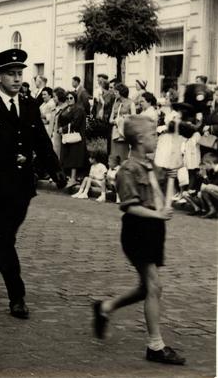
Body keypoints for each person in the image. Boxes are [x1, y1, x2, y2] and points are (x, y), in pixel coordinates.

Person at [0, 48, 66, 319]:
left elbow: (41, 141)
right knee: (4, 237)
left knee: (6, 236)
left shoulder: (29, 105)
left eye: (20, 74)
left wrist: (56, 170)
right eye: (11, 74)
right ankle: (17, 296)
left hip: (22, 184)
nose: (17, 79)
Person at [92, 115, 185, 366]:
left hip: (154, 230)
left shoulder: (151, 166)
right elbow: (129, 206)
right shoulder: (127, 170)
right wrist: (158, 213)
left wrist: (173, 175)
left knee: (146, 288)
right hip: (137, 231)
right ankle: (155, 346)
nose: (157, 137)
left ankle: (106, 307)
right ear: (141, 139)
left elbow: (163, 190)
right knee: (155, 286)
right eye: (153, 134)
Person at [58, 90, 87, 189]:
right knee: (67, 155)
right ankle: (68, 177)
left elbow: (76, 123)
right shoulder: (66, 109)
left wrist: (64, 129)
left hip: (76, 136)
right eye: (67, 98)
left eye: (71, 98)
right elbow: (60, 119)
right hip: (67, 136)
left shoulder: (79, 109)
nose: (69, 100)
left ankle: (74, 178)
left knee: (74, 157)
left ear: (75, 99)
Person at [109, 83, 134, 162]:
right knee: (115, 154)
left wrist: (123, 119)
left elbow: (133, 118)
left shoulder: (130, 103)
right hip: (116, 131)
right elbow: (110, 119)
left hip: (124, 132)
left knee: (124, 154)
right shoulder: (116, 103)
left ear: (121, 92)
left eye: (116, 92)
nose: (114, 93)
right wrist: (115, 121)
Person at [50, 87, 67, 158]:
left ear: (60, 96)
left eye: (54, 96)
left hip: (60, 138)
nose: (53, 99)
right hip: (51, 136)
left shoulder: (66, 109)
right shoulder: (54, 108)